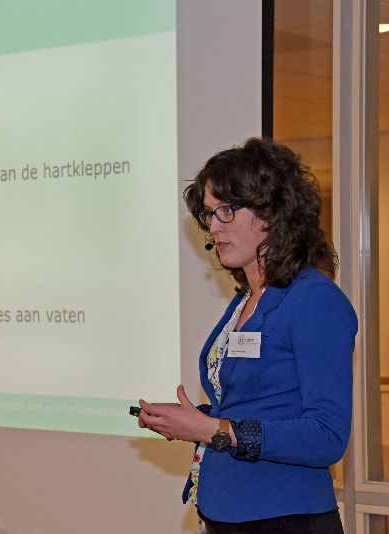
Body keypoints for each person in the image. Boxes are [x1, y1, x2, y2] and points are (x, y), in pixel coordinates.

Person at [138, 138, 357, 534]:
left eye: (227, 210)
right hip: (225, 512)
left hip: (285, 518)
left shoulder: (314, 300)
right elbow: (251, 405)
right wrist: (190, 420)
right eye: (209, 214)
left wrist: (211, 430)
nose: (214, 226)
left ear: (273, 212)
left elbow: (327, 435)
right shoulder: (246, 301)